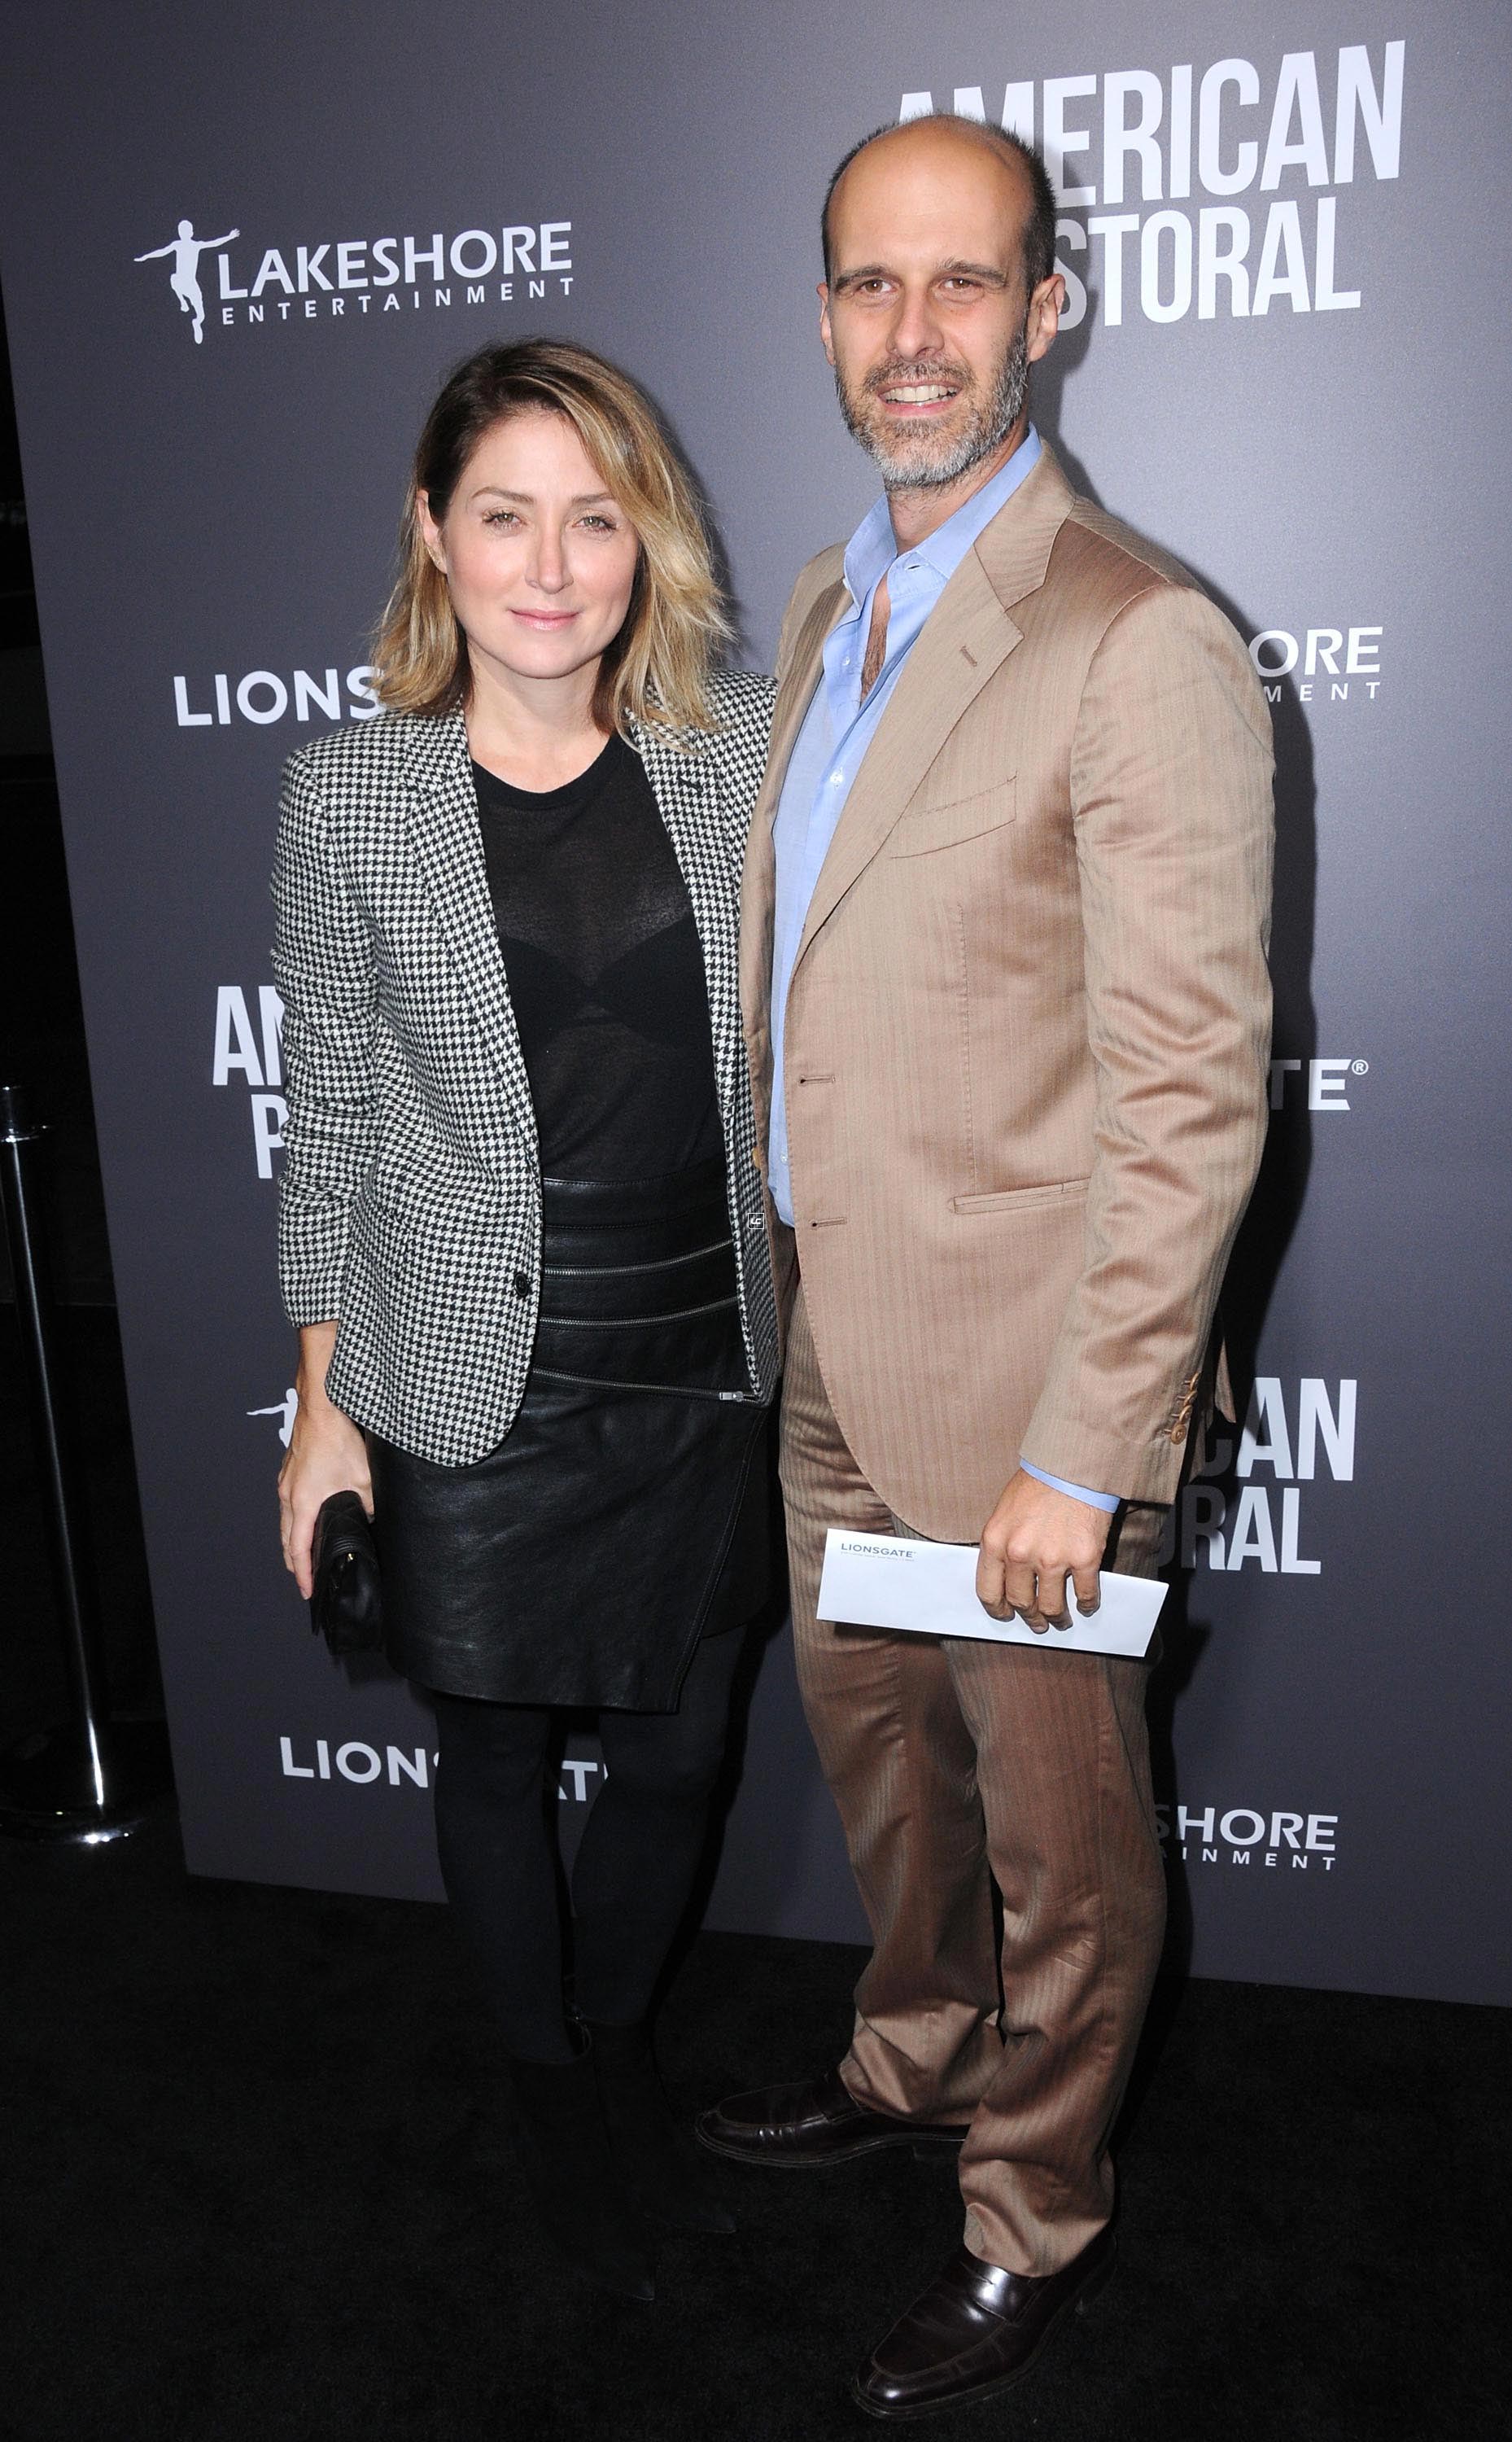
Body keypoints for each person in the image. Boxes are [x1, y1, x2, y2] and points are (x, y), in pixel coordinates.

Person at [699, 116, 1274, 2415]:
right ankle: (912, 2055)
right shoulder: (837, 605)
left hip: (1030, 1394)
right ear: (827, 312)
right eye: (868, 286)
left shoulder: (1138, 637)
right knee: (885, 1774)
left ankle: (1035, 2211)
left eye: (961, 286)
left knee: (1060, 1833)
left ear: (1048, 307)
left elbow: (1191, 1093)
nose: (909, 336)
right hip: (838, 1344)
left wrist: (1083, 1444)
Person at [272, 339, 778, 2305]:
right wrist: (318, 1420)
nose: (548, 566)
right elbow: (325, 1123)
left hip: (698, 1356)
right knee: (486, 1766)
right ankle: (541, 2093)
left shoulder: (740, 763)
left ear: (642, 541)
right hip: (465, 1376)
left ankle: (622, 2043)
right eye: (503, 515)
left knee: (674, 1761)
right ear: (432, 534)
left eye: (591, 516)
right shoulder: (346, 797)